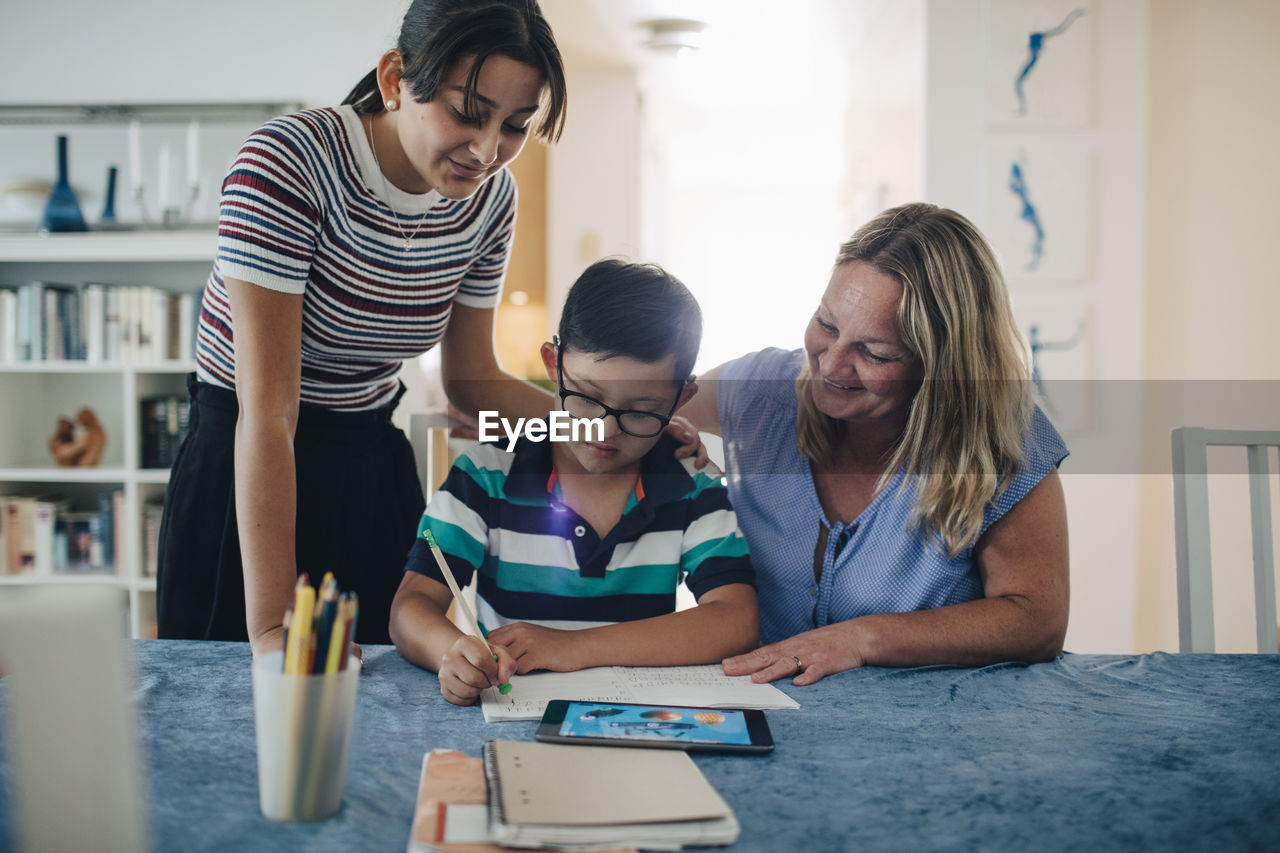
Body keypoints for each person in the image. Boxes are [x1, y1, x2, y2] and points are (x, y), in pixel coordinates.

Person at [156, 0, 570, 655]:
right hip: (248, 453)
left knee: (384, 703)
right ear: (394, 79)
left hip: (368, 462)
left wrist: (603, 423)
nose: (488, 150)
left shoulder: (491, 200)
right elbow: (270, 412)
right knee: (238, 711)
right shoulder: (290, 163)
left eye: (515, 125)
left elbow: (470, 379)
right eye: (467, 112)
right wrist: (269, 625)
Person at [680, 202, 1070, 686]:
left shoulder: (1008, 439)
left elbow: (1036, 622)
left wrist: (861, 639)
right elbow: (600, 415)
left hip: (927, 726)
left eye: (873, 352)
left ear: (939, 368)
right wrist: (661, 427)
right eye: (827, 324)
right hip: (761, 708)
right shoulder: (762, 389)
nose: (831, 364)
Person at [389, 259, 759, 705]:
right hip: (511, 712)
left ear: (680, 399)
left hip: (633, 720)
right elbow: (411, 607)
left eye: (641, 411)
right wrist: (449, 652)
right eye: (586, 397)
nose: (603, 432)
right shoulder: (486, 475)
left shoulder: (692, 485)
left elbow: (736, 619)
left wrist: (573, 647)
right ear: (555, 365)